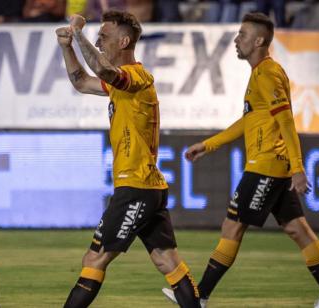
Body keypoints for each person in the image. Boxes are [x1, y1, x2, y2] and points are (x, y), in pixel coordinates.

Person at [162, 12, 319, 308]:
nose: (237, 40)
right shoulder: (260, 74)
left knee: (232, 227)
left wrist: (298, 169)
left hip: (266, 167)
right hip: (272, 167)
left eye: (243, 35)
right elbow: (247, 122)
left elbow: (286, 122)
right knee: (297, 229)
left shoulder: (268, 73)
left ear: (259, 40)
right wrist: (208, 145)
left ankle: (200, 297)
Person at [56, 10, 201, 308]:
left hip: (135, 187)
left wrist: (79, 33)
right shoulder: (122, 84)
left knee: (94, 259)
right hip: (147, 188)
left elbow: (103, 71)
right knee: (167, 261)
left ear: (123, 41)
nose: (99, 42)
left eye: (104, 37)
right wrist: (67, 47)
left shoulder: (136, 76)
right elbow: (82, 82)